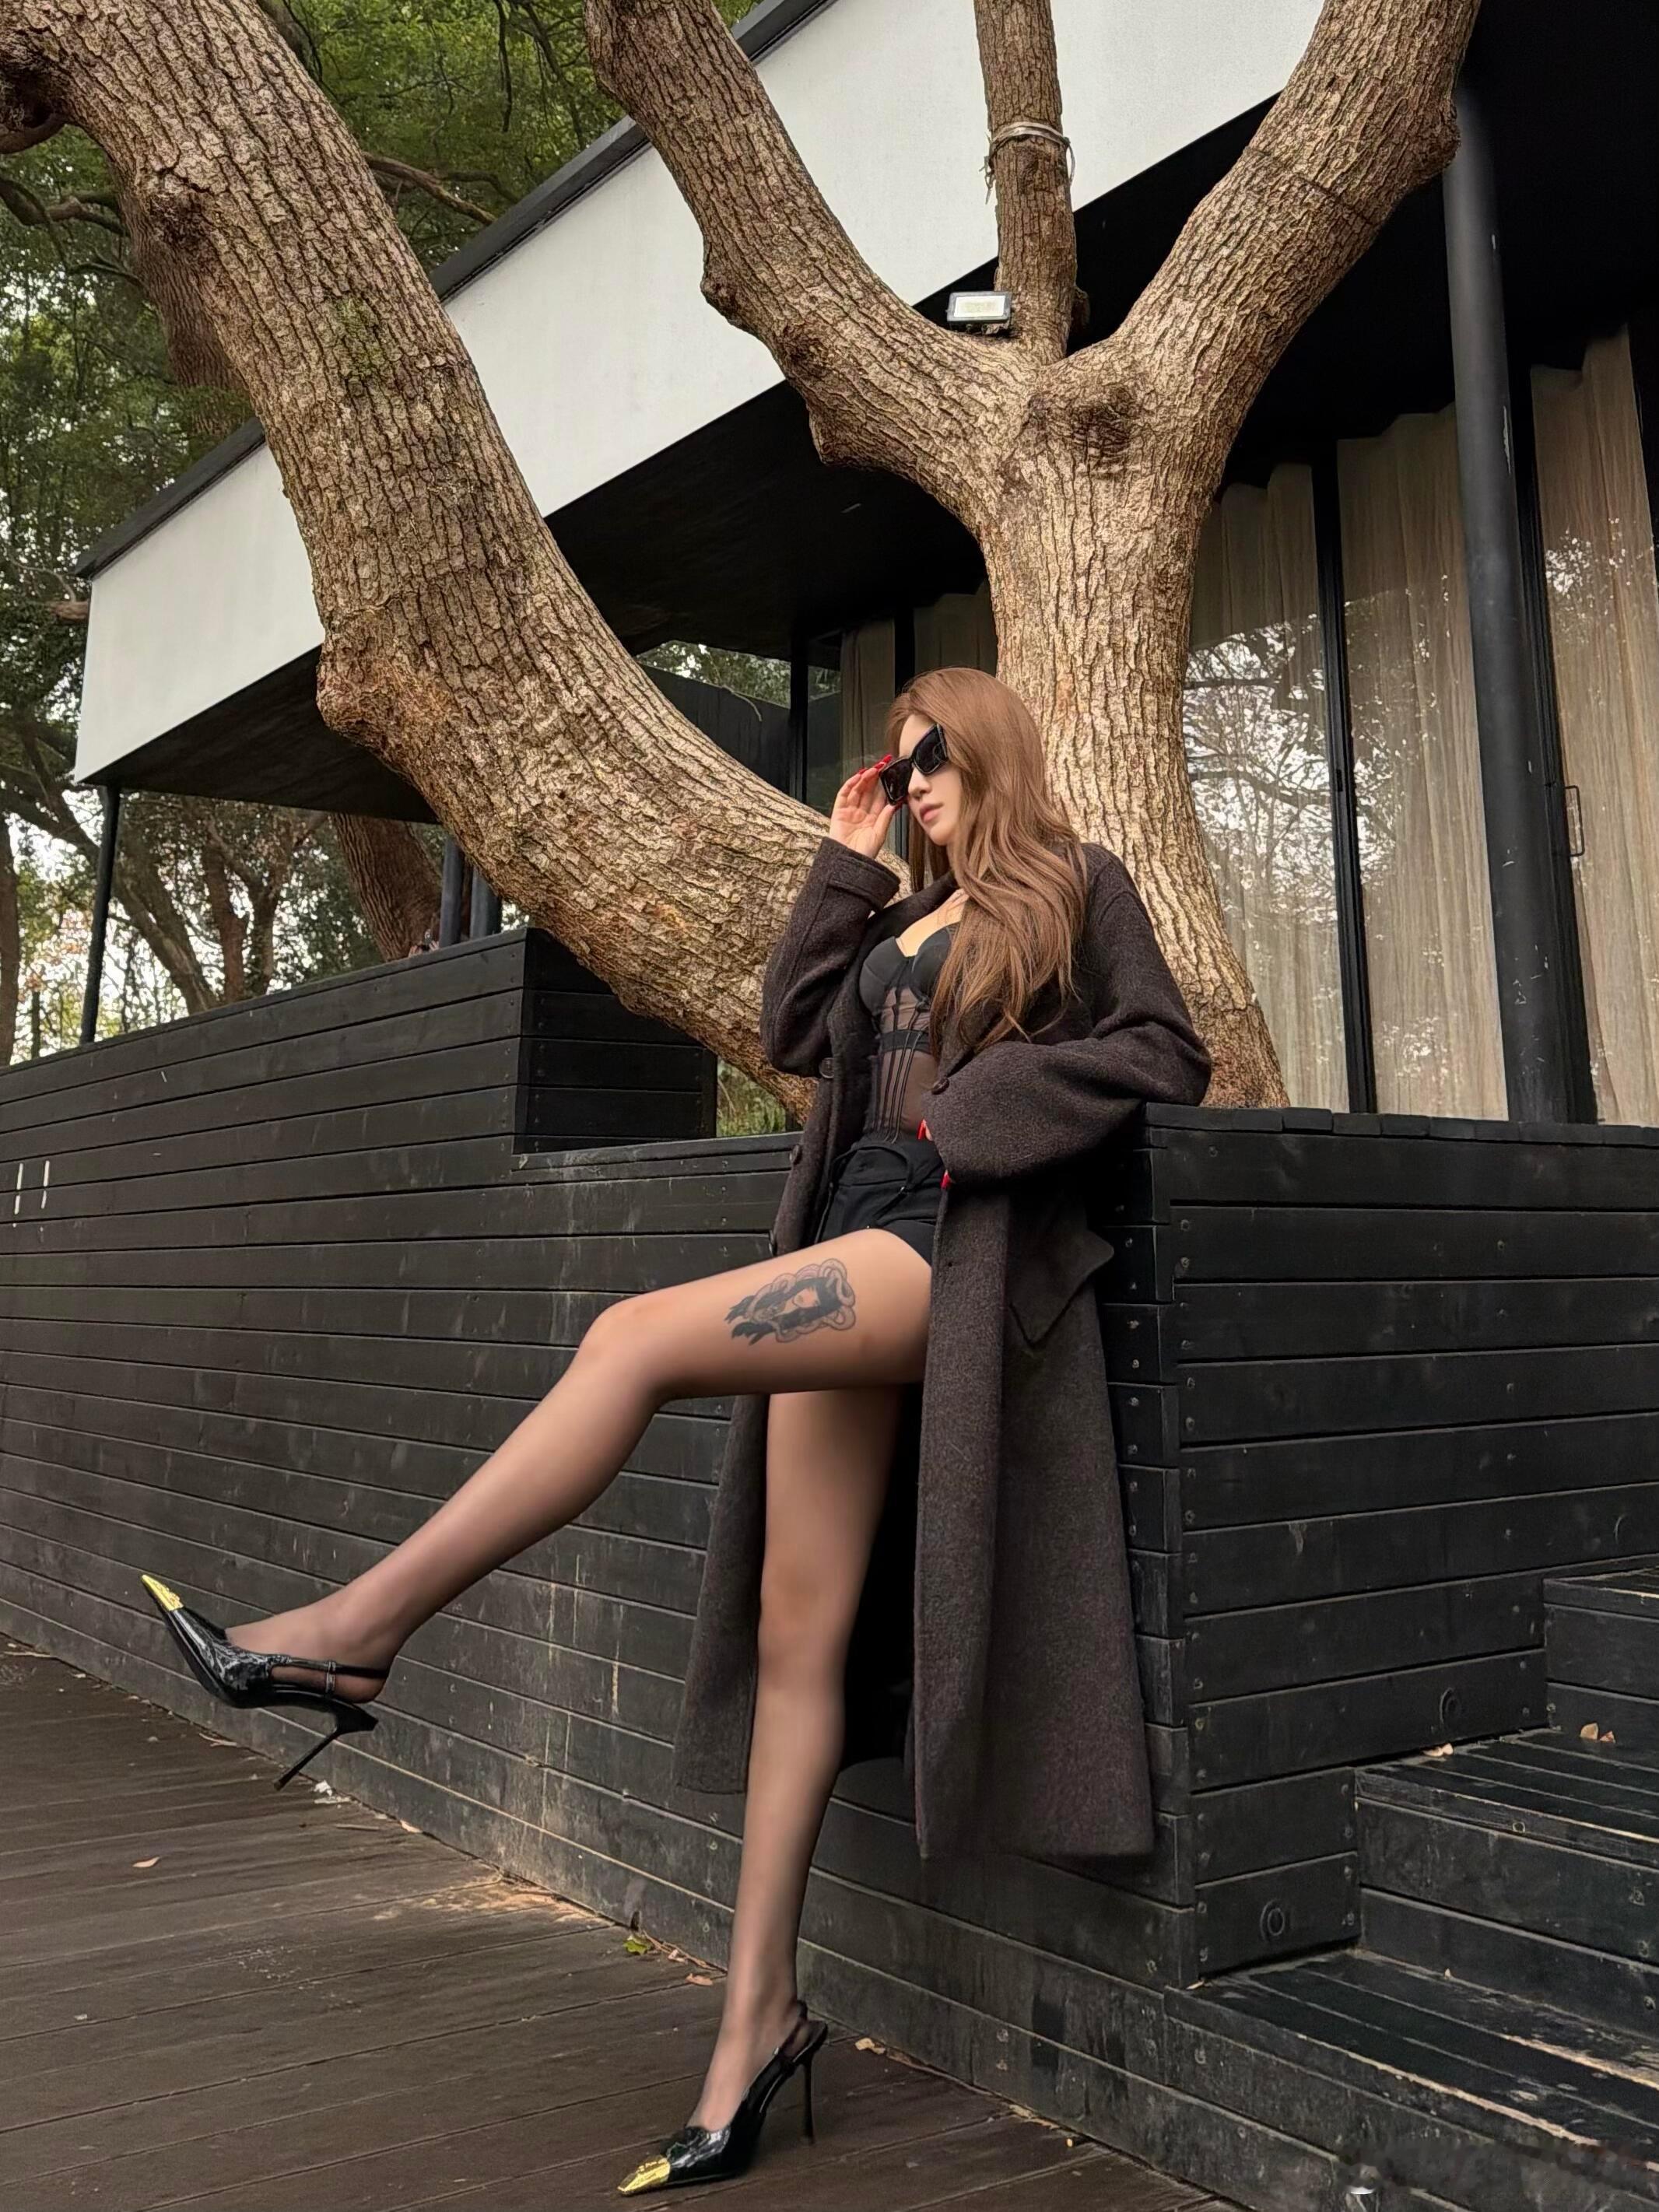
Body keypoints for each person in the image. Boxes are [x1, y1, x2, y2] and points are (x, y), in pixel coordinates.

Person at [139, 666, 1212, 2196]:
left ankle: (354, 1634)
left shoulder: (1073, 886)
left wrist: (979, 1116)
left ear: (988, 749)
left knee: (630, 1340)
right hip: (842, 1240)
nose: (911, 778)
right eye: (895, 759)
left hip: (945, 1259)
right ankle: (755, 2027)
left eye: (930, 754)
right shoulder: (901, 912)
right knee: (795, 1642)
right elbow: (790, 1032)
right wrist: (843, 868)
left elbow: (1166, 1051)